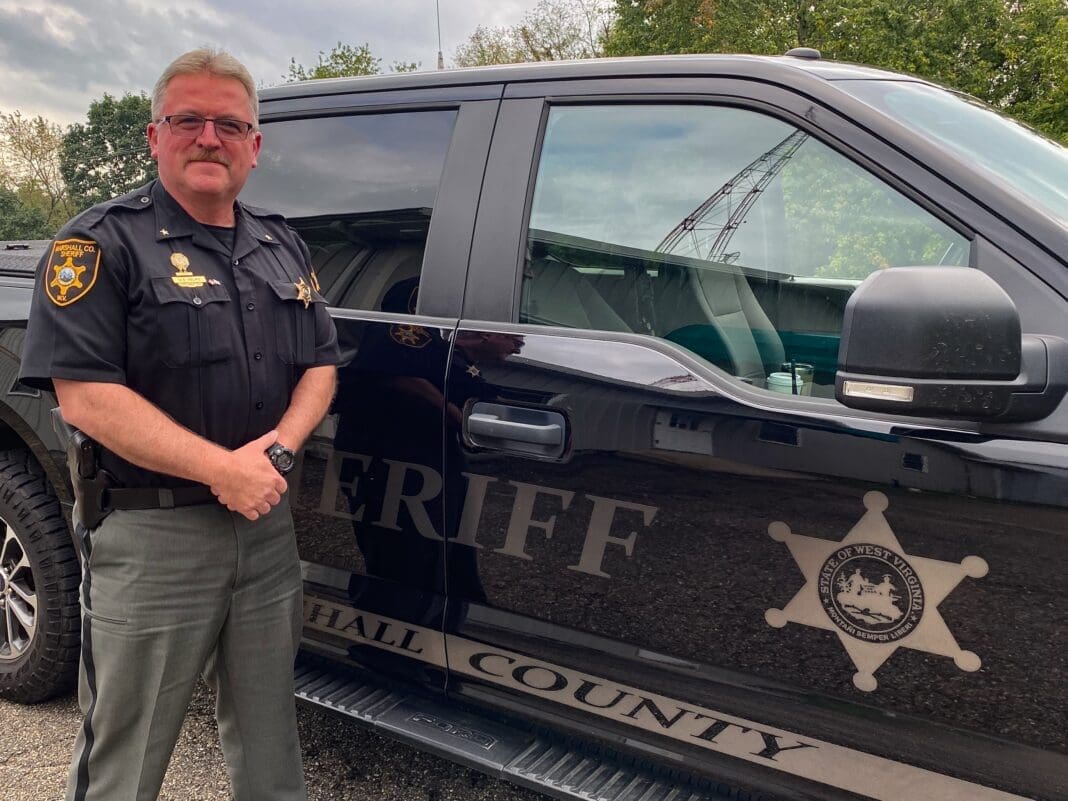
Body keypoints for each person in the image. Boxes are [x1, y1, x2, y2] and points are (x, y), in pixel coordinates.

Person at [19, 48, 339, 801]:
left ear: (254, 146)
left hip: (264, 532)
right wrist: (220, 469)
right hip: (153, 538)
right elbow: (87, 396)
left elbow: (321, 364)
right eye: (187, 119)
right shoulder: (97, 245)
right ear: (154, 135)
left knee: (271, 745)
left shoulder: (280, 242)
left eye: (230, 124)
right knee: (124, 756)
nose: (208, 137)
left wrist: (279, 448)